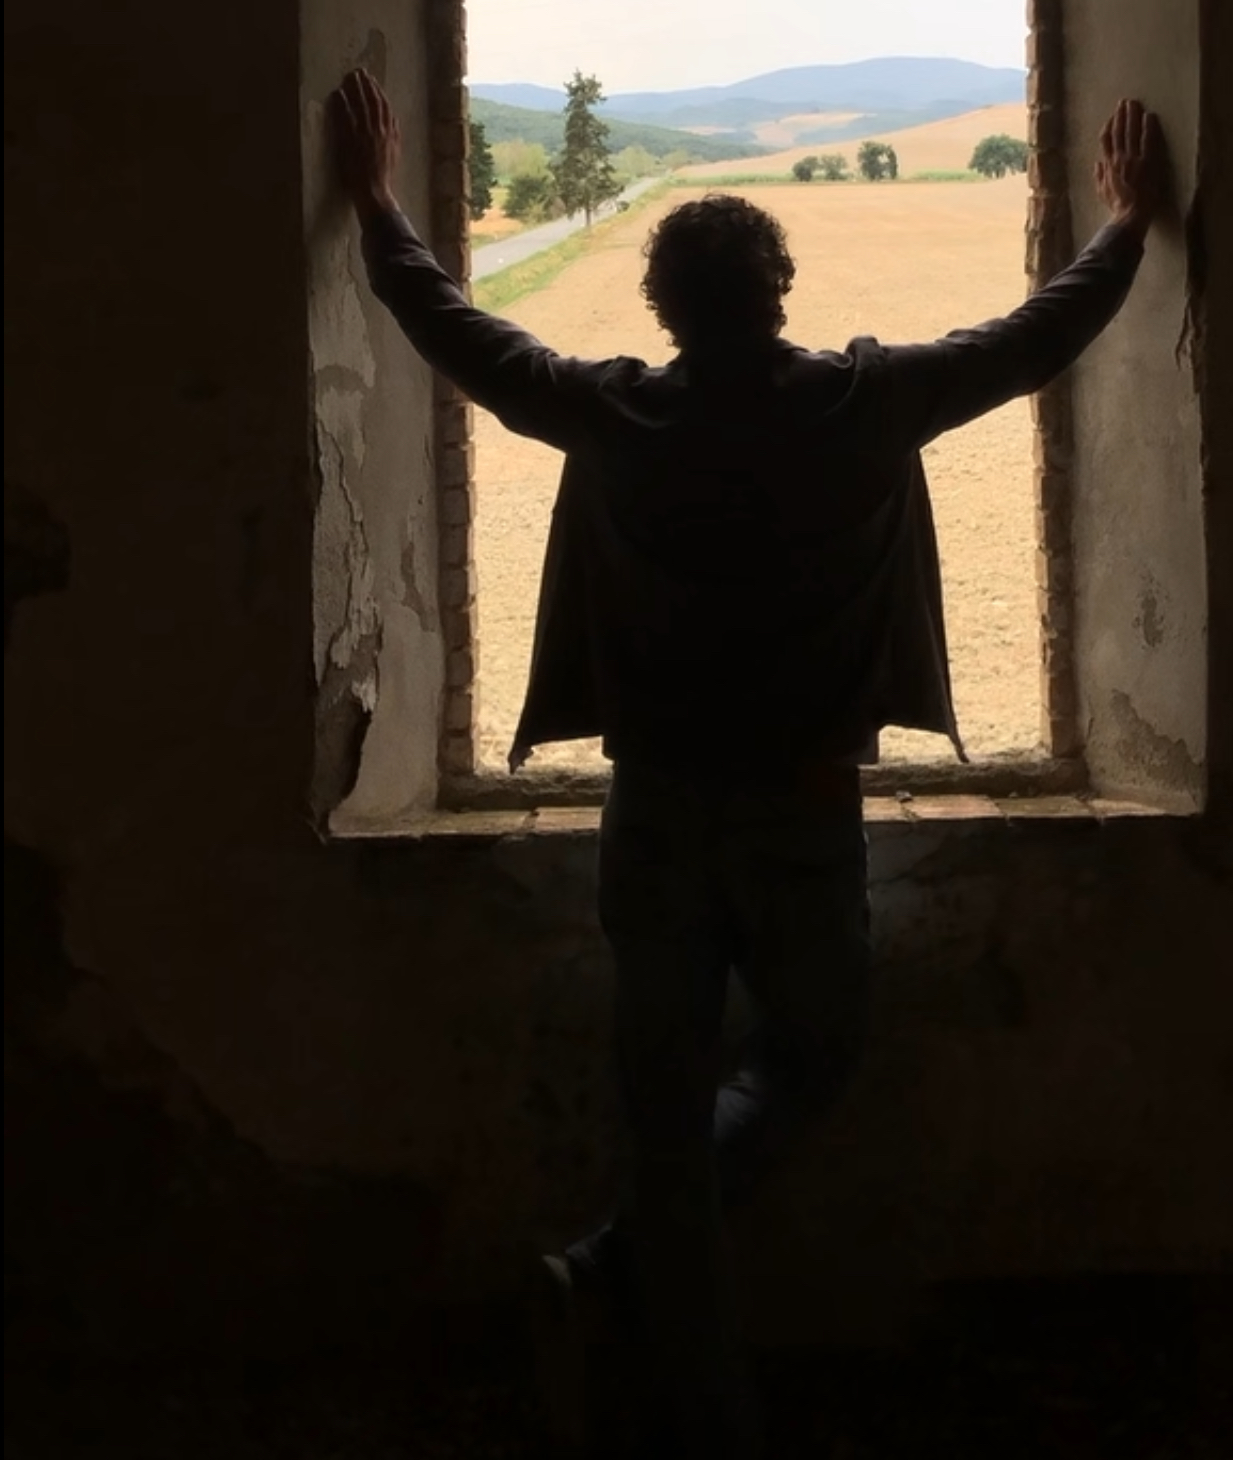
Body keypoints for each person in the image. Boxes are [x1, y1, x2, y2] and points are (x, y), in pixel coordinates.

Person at [327, 72, 1167, 1458]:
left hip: (652, 806)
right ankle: (619, 1294)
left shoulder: (613, 415)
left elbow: (455, 333)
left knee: (661, 1103)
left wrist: (372, 205)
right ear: (779, 286)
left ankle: (667, 1361)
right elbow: (1037, 336)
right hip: (803, 807)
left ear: (665, 305)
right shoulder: (864, 405)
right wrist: (1129, 225)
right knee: (816, 1054)